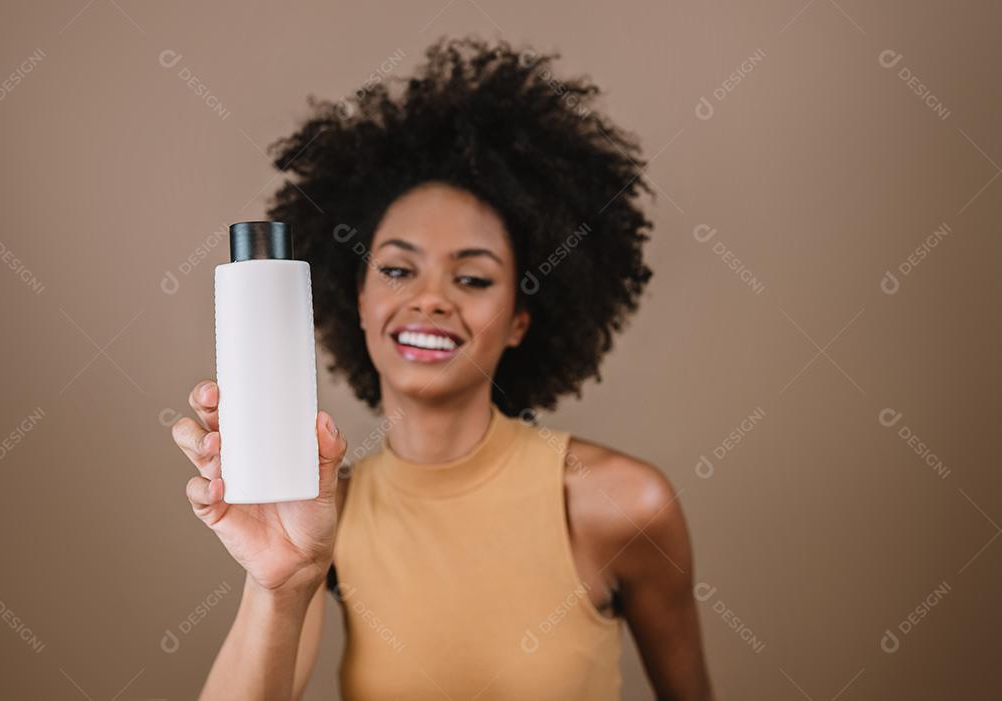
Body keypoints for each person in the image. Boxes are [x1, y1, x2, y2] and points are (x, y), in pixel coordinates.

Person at [171, 35, 714, 700]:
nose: (430, 299)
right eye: (398, 270)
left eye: (473, 278)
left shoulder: (623, 505)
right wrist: (277, 585)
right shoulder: (323, 510)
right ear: (358, 300)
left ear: (521, 318)